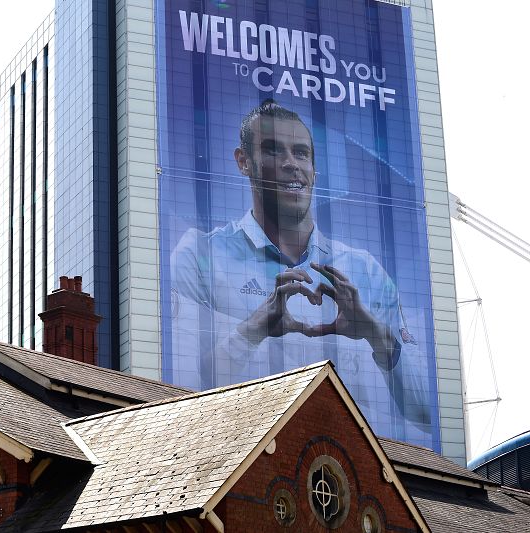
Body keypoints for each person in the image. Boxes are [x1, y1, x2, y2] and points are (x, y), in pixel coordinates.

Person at [170, 99, 431, 432]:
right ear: (244, 161)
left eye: (301, 153)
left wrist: (378, 336)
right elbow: (178, 396)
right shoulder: (198, 255)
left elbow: (427, 413)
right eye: (274, 151)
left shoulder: (366, 271)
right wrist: (251, 331)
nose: (291, 164)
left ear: (314, 171)